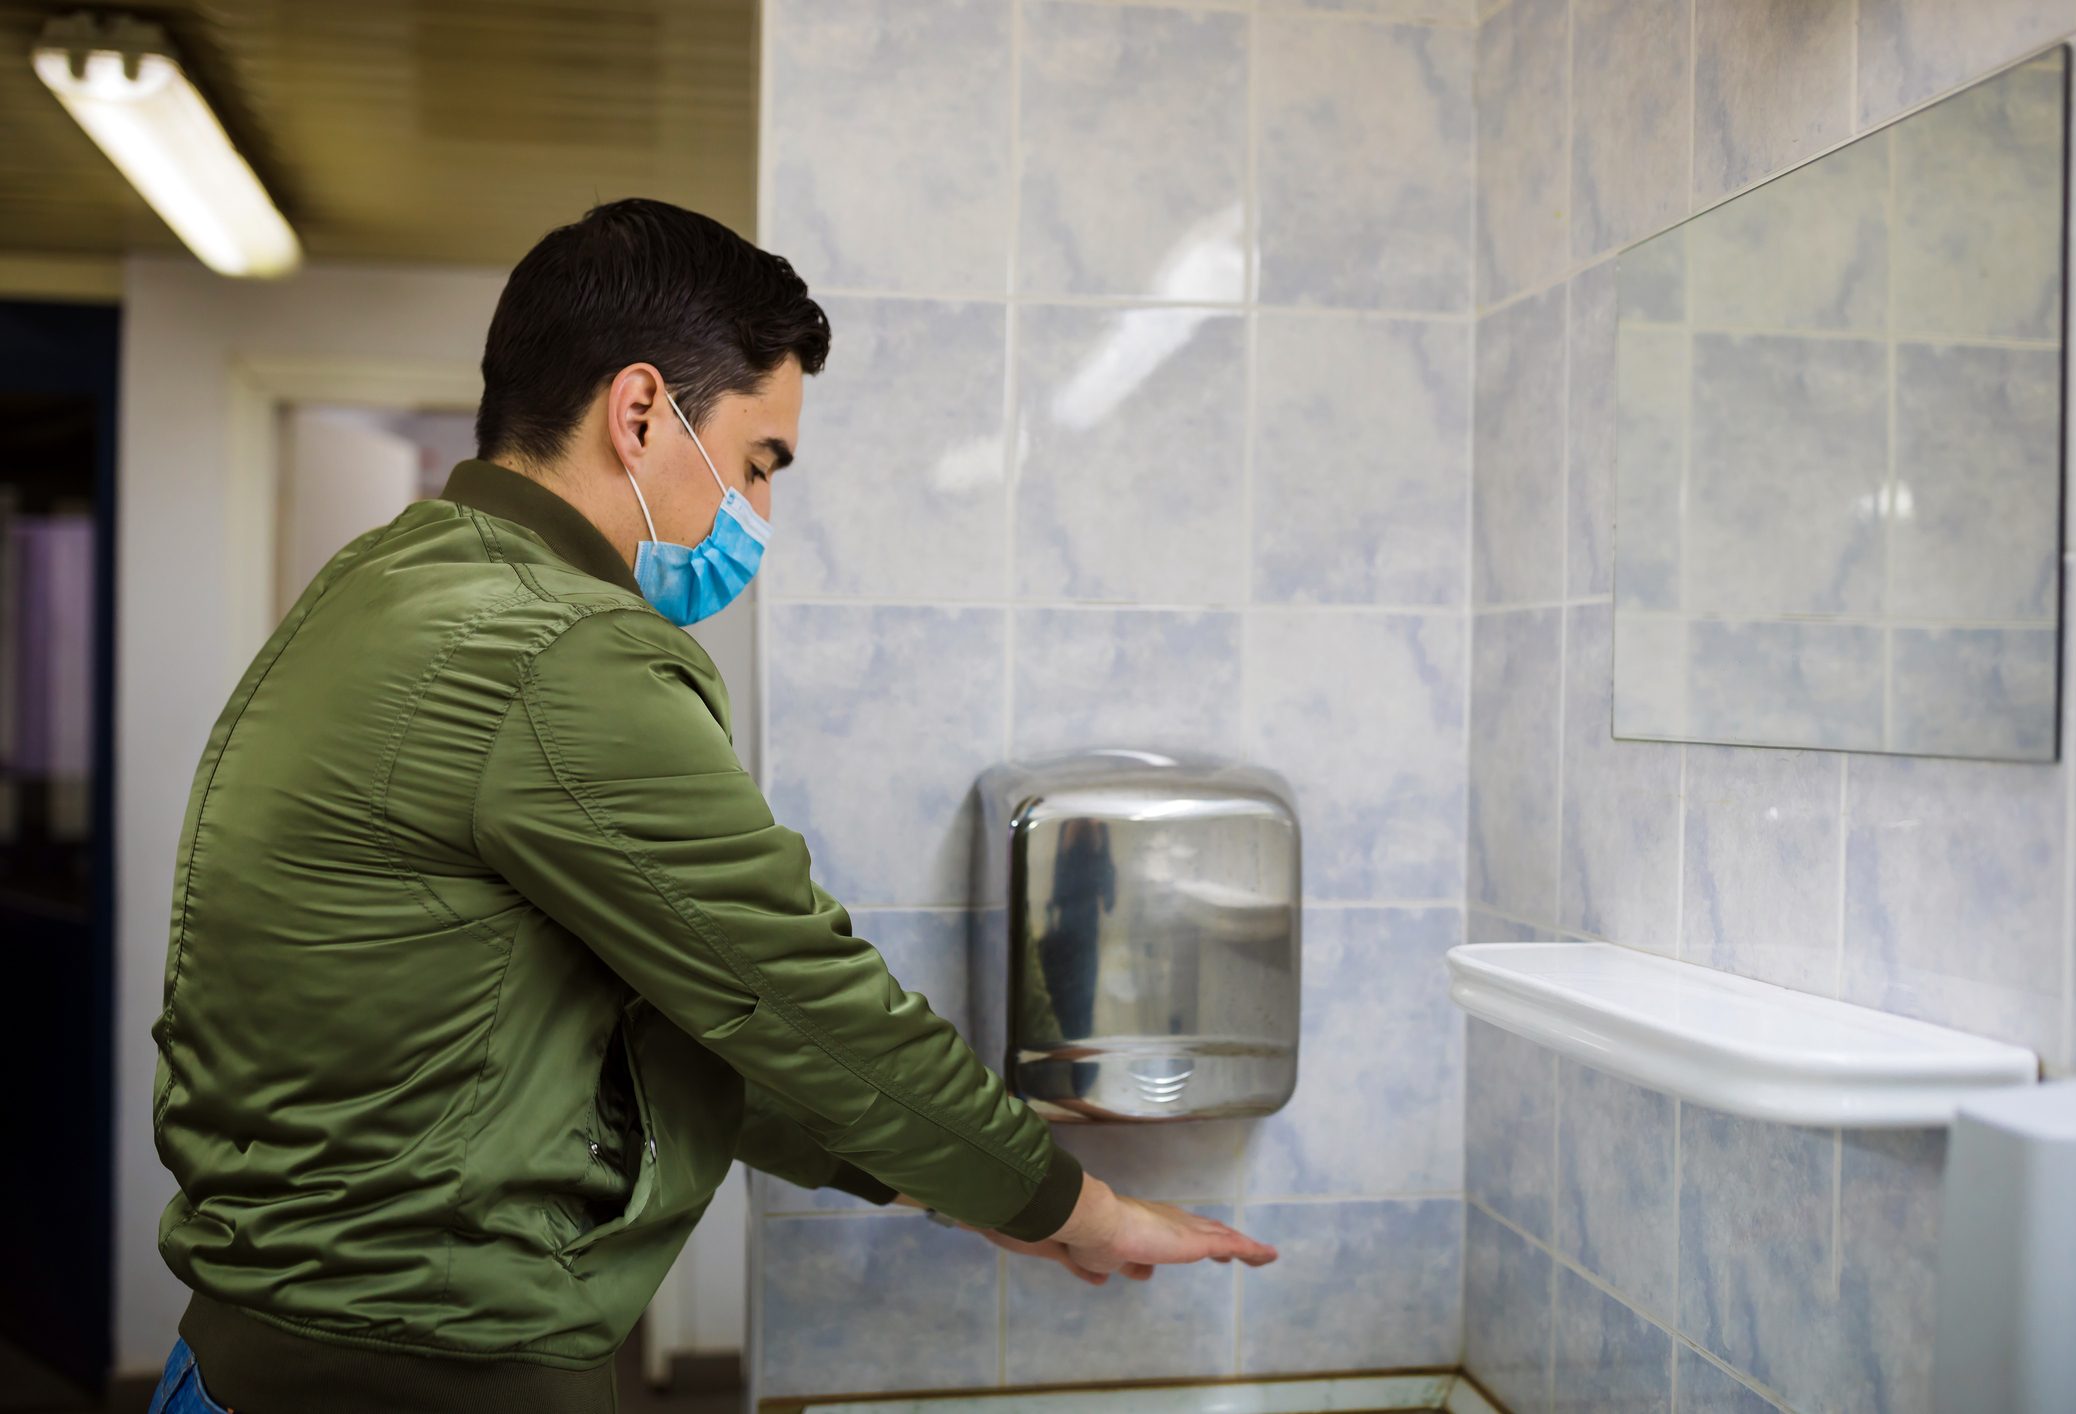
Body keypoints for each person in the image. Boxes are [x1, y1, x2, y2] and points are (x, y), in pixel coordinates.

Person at [145, 198, 1276, 1414]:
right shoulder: (558, 650)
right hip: (431, 1371)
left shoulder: (378, 591)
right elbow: (796, 993)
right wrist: (1080, 1207)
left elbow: (668, 1024)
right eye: (756, 463)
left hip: (242, 1361)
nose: (759, 518)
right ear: (639, 414)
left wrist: (952, 1182)